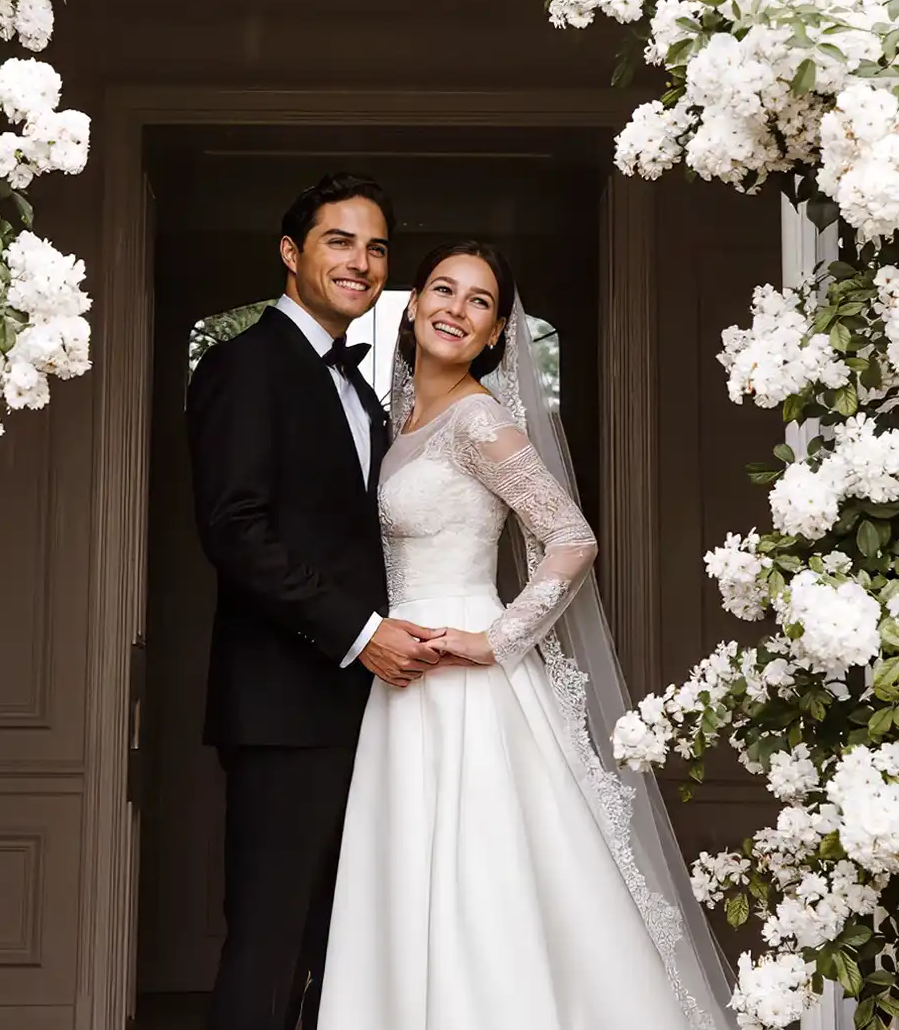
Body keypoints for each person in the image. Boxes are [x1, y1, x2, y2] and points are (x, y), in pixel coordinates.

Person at [318, 240, 738, 1030]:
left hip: (466, 674)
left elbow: (572, 537)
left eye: (478, 301)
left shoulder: (479, 421)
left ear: (496, 331)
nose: (454, 308)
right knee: (409, 873)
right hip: (401, 678)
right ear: (412, 305)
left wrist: (495, 639)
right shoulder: (399, 421)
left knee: (483, 874)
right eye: (442, 289)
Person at [186, 172, 446, 1030]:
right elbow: (236, 531)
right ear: (292, 254)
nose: (362, 262)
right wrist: (361, 632)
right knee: (268, 944)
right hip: (283, 707)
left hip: (363, 708)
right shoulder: (242, 364)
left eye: (376, 248)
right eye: (340, 241)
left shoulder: (364, 392)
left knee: (336, 948)